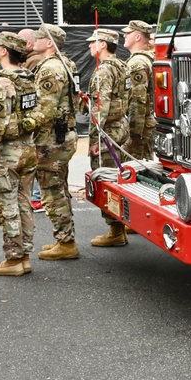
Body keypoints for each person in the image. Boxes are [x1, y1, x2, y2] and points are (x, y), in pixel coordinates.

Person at [0, 31, 39, 277]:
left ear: (5, 51)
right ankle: (24, 255)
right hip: (28, 146)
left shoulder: (1, 82)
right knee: (24, 203)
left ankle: (13, 258)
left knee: (7, 205)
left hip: (7, 152)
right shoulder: (29, 78)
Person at [27, 23, 79, 260]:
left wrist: (21, 124)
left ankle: (66, 242)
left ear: (49, 43)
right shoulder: (66, 63)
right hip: (64, 134)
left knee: (51, 189)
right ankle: (65, 237)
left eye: (38, 38)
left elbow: (45, 110)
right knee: (60, 186)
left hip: (52, 138)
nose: (34, 41)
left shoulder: (50, 69)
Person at [82, 28, 130, 247]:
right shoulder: (122, 66)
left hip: (108, 133)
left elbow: (101, 108)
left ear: (103, 44)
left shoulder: (103, 71)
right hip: (120, 127)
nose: (90, 46)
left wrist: (94, 139)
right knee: (118, 179)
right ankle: (119, 226)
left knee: (107, 180)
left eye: (93, 42)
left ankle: (115, 229)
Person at [122, 19, 157, 160]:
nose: (124, 36)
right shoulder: (148, 58)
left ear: (137, 37)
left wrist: (134, 134)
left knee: (135, 168)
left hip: (140, 128)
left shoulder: (137, 63)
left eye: (128, 33)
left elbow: (138, 101)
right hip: (147, 125)